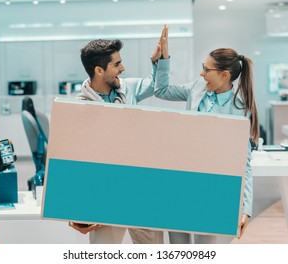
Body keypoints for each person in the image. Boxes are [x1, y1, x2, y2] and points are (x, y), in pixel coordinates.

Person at [153, 27, 258, 243]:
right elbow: (161, 91)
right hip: (180, 182)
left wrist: (244, 208)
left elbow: (243, 163)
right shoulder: (197, 88)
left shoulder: (239, 111)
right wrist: (163, 60)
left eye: (206, 69)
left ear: (224, 75)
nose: (202, 73)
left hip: (212, 189)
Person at [68, 31, 168, 244]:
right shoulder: (79, 108)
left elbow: (154, 85)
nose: (122, 69)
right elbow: (76, 160)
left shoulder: (127, 89)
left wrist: (158, 60)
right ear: (98, 70)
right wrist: (77, 208)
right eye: (117, 64)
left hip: (141, 187)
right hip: (105, 191)